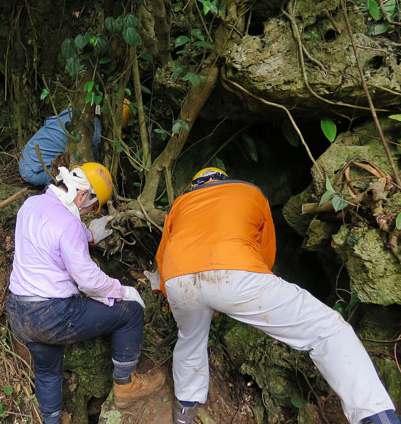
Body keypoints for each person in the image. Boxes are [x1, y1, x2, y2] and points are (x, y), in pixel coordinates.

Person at [155, 167, 400, 424]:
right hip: (237, 272)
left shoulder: (180, 204)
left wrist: (176, 298)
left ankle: (185, 410)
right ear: (224, 179)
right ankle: (375, 416)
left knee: (190, 339)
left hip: (178, 279)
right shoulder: (250, 191)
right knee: (327, 329)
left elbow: (163, 256)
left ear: (196, 185)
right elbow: (265, 249)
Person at [6, 163, 165, 424]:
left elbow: (54, 228)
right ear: (83, 195)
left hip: (19, 311)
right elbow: (88, 281)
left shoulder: (30, 204)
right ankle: (126, 387)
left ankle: (52, 420)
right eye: (93, 206)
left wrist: (89, 235)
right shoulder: (68, 223)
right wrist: (120, 291)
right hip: (51, 314)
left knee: (47, 372)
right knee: (131, 313)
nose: (90, 212)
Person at [19, 101, 133, 186]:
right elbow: (92, 162)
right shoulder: (94, 132)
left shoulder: (75, 111)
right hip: (33, 173)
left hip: (25, 157)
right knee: (90, 169)